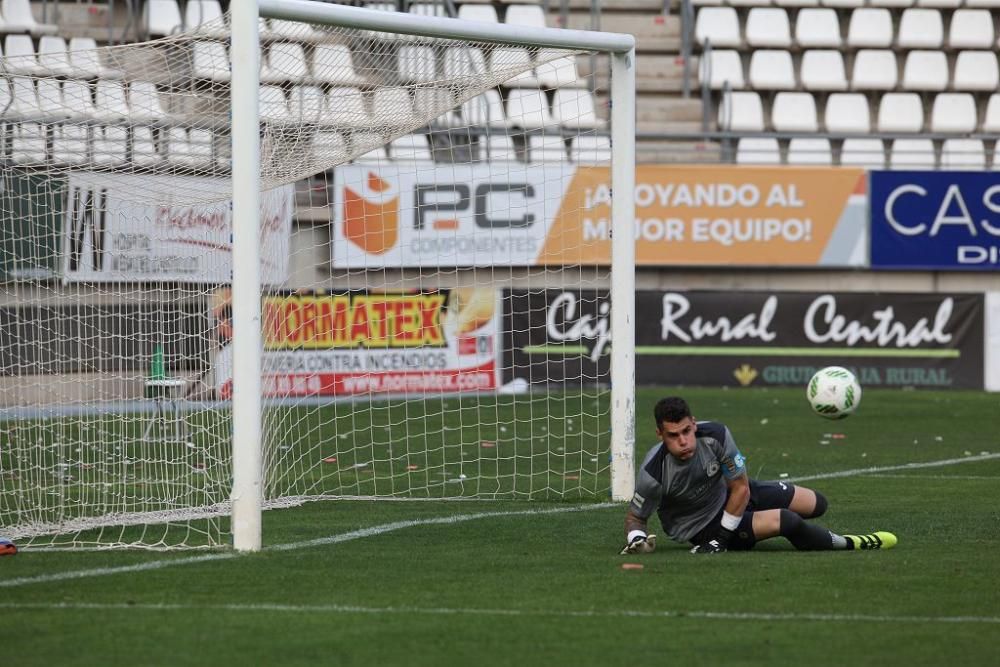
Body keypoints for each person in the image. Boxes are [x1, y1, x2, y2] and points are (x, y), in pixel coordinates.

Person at [620, 396, 896, 555]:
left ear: (694, 424)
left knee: (817, 503)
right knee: (788, 522)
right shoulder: (653, 473)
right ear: (660, 435)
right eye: (673, 435)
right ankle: (851, 543)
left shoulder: (716, 434)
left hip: (733, 495)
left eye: (686, 431)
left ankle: (807, 532)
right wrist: (636, 539)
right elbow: (636, 517)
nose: (683, 441)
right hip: (704, 526)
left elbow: (739, 486)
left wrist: (723, 539)